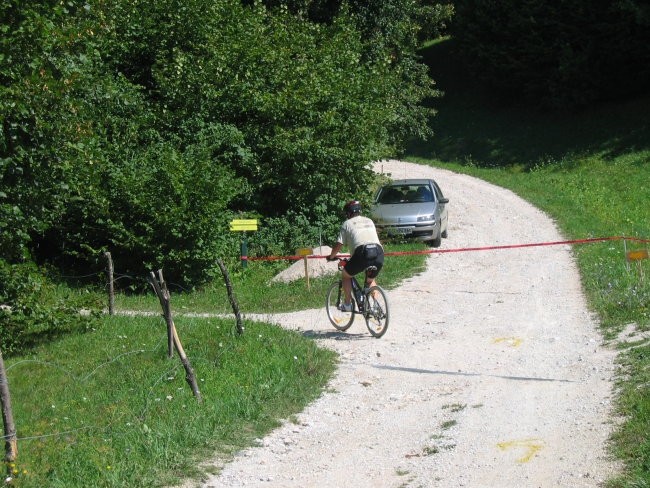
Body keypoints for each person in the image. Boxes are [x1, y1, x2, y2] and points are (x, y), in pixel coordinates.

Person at [326, 200, 384, 311]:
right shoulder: (369, 220)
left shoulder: (347, 224)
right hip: (378, 252)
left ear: (348, 213)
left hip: (362, 253)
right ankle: (375, 306)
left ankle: (348, 305)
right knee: (370, 280)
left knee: (346, 275)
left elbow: (339, 245)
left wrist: (332, 256)